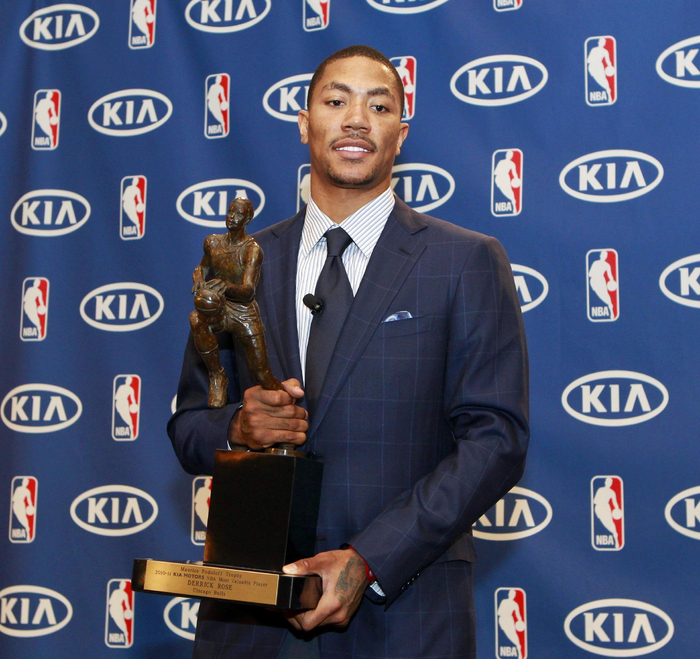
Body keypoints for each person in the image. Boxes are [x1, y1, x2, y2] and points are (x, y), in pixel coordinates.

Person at [169, 44, 529, 658]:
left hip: (406, 614)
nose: (356, 119)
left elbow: (496, 441)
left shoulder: (464, 260)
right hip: (252, 620)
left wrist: (367, 560)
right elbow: (188, 428)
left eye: (379, 106)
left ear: (400, 135)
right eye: (336, 101)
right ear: (304, 124)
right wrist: (237, 427)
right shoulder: (242, 260)